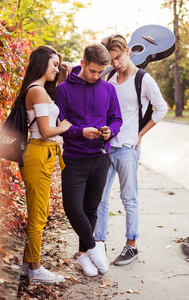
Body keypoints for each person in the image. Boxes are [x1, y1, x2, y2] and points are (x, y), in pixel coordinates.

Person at [94, 34, 168, 266]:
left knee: (129, 199)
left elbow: (162, 109)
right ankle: (98, 244)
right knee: (99, 199)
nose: (115, 64)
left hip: (127, 148)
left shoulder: (143, 80)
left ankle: (131, 246)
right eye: (111, 61)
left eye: (117, 58)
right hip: (106, 147)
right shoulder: (110, 77)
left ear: (127, 50)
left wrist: (140, 134)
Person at [56, 44, 123, 277]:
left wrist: (109, 132)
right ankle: (94, 247)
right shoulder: (63, 89)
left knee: (91, 208)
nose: (96, 76)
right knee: (73, 209)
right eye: (93, 71)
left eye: (101, 72)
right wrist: (80, 132)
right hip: (74, 158)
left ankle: (82, 255)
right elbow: (60, 124)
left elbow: (116, 119)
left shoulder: (108, 89)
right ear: (83, 63)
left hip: (100, 158)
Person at [18, 45, 73, 284]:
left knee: (38, 210)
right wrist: (66, 126)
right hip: (39, 152)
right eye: (54, 64)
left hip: (42, 153)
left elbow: (47, 113)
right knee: (38, 214)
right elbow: (47, 130)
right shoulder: (37, 91)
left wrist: (62, 78)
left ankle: (27, 264)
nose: (56, 68)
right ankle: (35, 269)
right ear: (42, 64)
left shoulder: (38, 89)